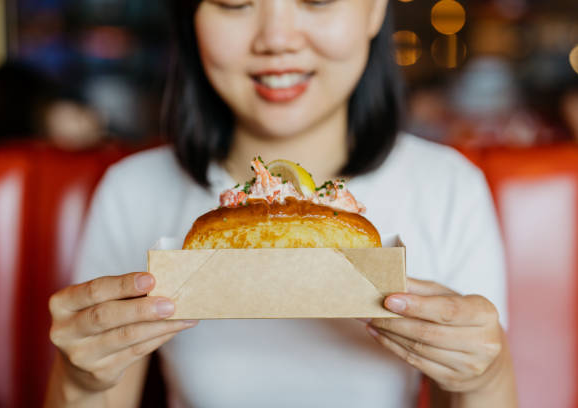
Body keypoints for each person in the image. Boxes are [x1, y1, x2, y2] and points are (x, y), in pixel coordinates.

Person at [45, 1, 517, 407]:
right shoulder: (134, 190)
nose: (276, 39)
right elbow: (100, 386)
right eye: (234, 3)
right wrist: (81, 378)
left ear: (374, 9)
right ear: (191, 18)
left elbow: (471, 384)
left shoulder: (449, 187)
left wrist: (483, 375)